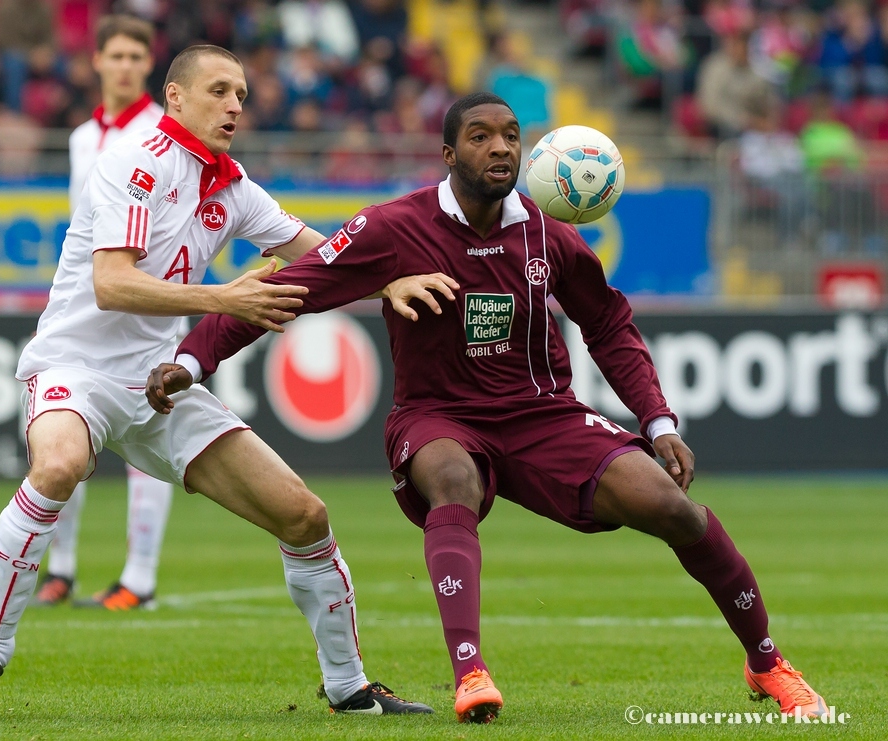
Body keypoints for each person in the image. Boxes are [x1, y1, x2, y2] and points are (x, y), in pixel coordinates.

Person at [147, 91, 830, 724]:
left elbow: (610, 324)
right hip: (437, 415)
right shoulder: (392, 228)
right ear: (449, 155)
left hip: (545, 417)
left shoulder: (549, 235)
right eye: (481, 137)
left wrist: (657, 419)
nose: (501, 148)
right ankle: (470, 671)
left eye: (511, 136)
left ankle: (767, 662)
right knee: (452, 481)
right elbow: (292, 286)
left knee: (673, 507)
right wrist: (191, 359)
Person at [0, 44, 438, 719]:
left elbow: (319, 257)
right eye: (218, 90)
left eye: (240, 92)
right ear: (175, 97)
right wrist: (223, 300)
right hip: (75, 368)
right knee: (59, 465)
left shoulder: (233, 188)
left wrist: (391, 280)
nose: (235, 103)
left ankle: (349, 685)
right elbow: (112, 283)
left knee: (304, 515)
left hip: (156, 386)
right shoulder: (132, 160)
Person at [31, 14, 174, 613]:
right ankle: (60, 568)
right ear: (96, 61)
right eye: (114, 55)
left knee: (148, 433)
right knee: (61, 431)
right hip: (85, 307)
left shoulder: (162, 132)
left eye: (134, 57)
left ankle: (138, 576)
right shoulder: (80, 137)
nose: (123, 66)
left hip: (146, 305)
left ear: (148, 64)